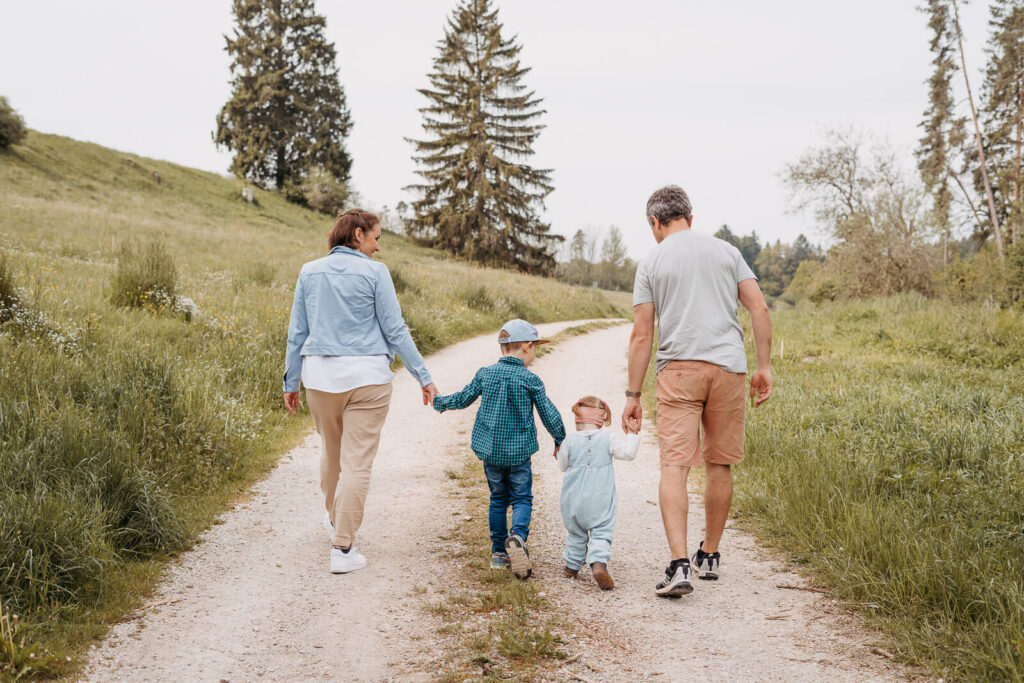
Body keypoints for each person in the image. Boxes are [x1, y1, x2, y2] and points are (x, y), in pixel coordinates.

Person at [622, 185, 772, 598]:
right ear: (691, 216)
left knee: (674, 466)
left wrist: (633, 395)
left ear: (655, 222)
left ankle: (679, 564)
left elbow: (642, 334)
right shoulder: (727, 251)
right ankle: (710, 554)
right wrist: (763, 366)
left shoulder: (652, 259)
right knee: (719, 464)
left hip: (680, 370)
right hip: (728, 369)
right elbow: (758, 307)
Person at [283, 208, 438, 575]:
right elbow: (395, 328)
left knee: (332, 454)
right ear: (357, 235)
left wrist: (291, 381)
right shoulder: (374, 273)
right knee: (358, 463)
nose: (378, 247)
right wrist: (423, 375)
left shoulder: (309, 271)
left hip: (320, 379)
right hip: (367, 377)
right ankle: (343, 547)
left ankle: (336, 519)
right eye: (376, 238)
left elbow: (297, 333)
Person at [433, 319, 565, 579]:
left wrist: (440, 402)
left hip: (491, 452)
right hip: (518, 454)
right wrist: (560, 438)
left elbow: (462, 398)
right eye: (535, 348)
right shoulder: (530, 380)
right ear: (526, 347)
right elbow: (548, 413)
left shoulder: (485, 374)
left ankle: (499, 553)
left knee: (497, 499)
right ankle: (517, 536)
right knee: (521, 498)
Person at [557, 396, 640, 591]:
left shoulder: (569, 440)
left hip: (573, 499)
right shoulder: (608, 437)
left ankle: (571, 565)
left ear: (578, 419)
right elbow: (628, 454)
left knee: (576, 532)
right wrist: (633, 434)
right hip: (600, 499)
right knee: (601, 532)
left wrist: (559, 451)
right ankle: (598, 564)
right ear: (601, 420)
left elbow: (562, 465)